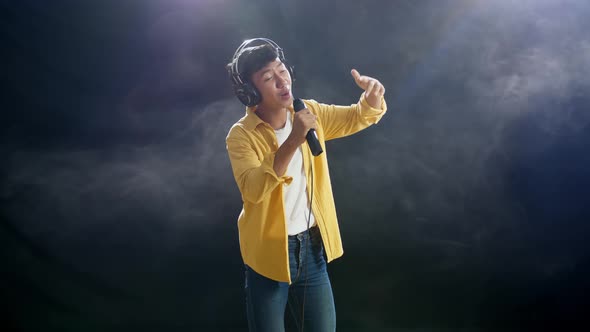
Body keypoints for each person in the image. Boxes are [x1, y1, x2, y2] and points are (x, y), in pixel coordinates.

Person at [225, 38, 387, 331]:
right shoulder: (241, 136)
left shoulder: (308, 112)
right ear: (250, 92)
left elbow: (356, 117)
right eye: (268, 78)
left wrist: (372, 99)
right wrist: (293, 140)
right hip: (268, 254)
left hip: (311, 249)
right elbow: (252, 190)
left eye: (282, 70)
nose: (281, 81)